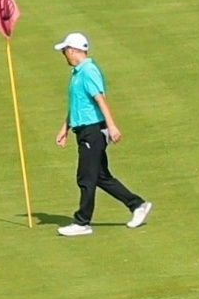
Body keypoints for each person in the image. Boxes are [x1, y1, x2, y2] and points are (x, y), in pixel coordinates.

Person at [51, 31, 149, 236]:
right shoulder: (78, 73)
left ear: (73, 50)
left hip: (93, 131)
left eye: (65, 51)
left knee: (85, 177)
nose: (64, 56)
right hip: (84, 129)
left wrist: (112, 126)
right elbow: (77, 104)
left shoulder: (88, 71)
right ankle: (137, 205)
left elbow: (100, 99)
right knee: (101, 176)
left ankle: (82, 222)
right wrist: (65, 128)